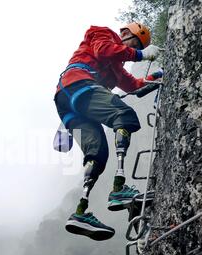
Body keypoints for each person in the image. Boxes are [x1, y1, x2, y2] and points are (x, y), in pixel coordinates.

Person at [54, 22, 163, 241]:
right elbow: (103, 50)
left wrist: (156, 76)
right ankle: (118, 190)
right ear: (125, 34)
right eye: (135, 42)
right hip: (79, 86)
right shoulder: (102, 34)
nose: (131, 49)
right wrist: (141, 55)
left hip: (69, 104)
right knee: (124, 116)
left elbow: (131, 85)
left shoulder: (115, 66)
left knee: (97, 154)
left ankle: (80, 213)